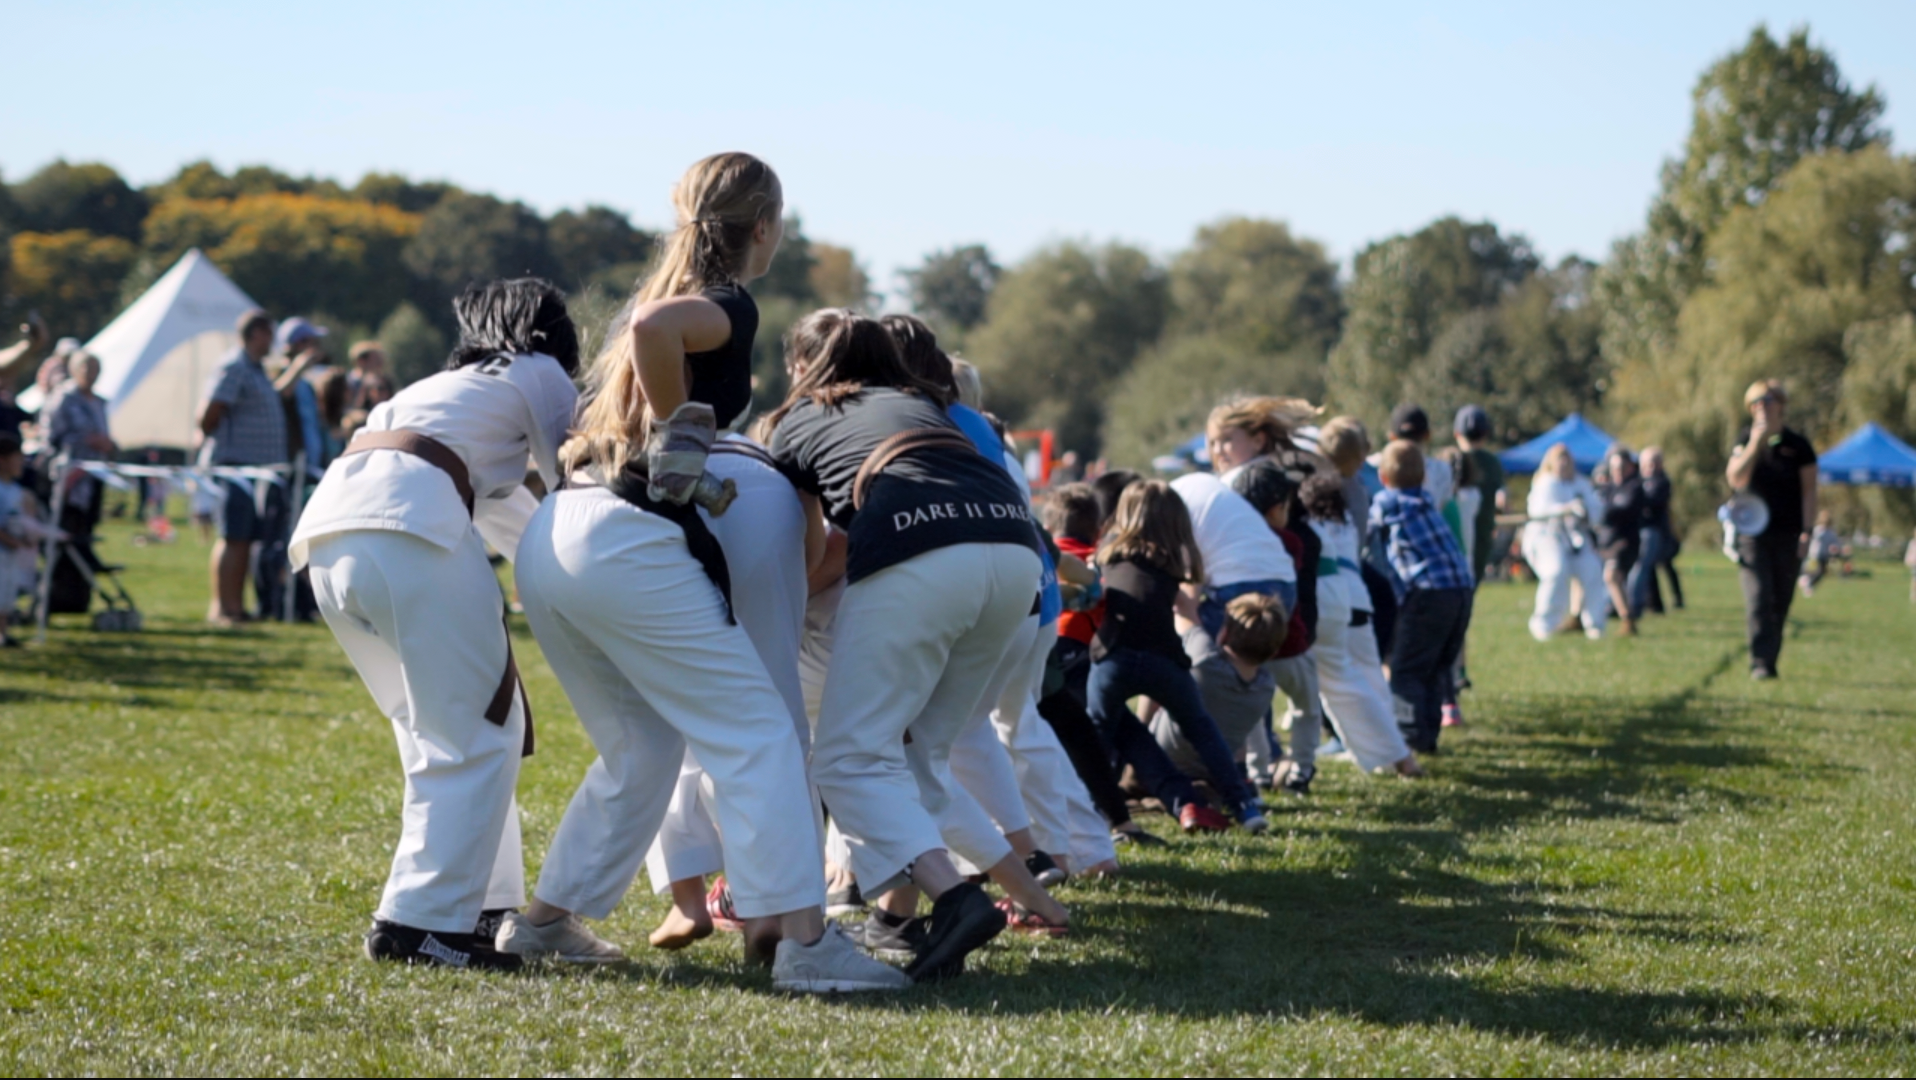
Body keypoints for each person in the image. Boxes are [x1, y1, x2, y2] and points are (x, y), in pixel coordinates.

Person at [764, 308, 1065, 979]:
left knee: (843, 758)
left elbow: (808, 546)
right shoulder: (918, 402)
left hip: (920, 554)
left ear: (805, 366)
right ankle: (917, 913)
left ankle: (955, 898)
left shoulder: (798, 417)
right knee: (922, 755)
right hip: (1016, 559)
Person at [289, 279, 580, 971]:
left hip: (331, 537)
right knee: (476, 733)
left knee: (451, 733)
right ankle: (420, 924)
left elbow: (511, 515)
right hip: (408, 530)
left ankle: (478, 905)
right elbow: (571, 492)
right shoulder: (541, 375)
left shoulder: (443, 385)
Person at [1086, 480, 1268, 834]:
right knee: (1201, 728)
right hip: (1164, 658)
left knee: (1096, 738)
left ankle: (1093, 812)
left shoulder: (1109, 551)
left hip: (1113, 655)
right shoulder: (1173, 557)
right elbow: (1187, 608)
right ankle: (1244, 807)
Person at [1039, 482, 1160, 846]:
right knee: (1083, 736)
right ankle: (1109, 825)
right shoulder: (1096, 553)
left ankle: (1114, 823)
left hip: (1044, 649)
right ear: (1096, 527)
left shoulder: (1039, 538)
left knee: (1077, 733)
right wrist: (1087, 589)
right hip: (1067, 655)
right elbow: (1085, 583)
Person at [1296, 474, 1422, 777]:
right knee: (1372, 679)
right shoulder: (1348, 524)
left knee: (1341, 685)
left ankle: (1390, 754)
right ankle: (1389, 751)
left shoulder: (1312, 527)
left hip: (1331, 599)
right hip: (1360, 601)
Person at [1225, 459, 1325, 795]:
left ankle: (1259, 770)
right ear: (1277, 509)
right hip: (1291, 642)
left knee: (1254, 712)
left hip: (1251, 645)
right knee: (1307, 708)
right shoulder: (1291, 542)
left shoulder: (1233, 543)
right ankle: (1301, 769)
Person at [1370, 441, 1474, 754]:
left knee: (1406, 669)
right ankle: (1427, 737)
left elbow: (1366, 530)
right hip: (1461, 591)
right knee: (1434, 667)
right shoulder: (1427, 501)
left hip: (1429, 593)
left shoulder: (1388, 503)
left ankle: (1409, 739)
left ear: (1383, 476)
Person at [198, 309, 288, 626]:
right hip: (235, 467)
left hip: (254, 471)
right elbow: (210, 412)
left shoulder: (256, 369)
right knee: (233, 538)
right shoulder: (234, 366)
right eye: (269, 334)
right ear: (256, 334)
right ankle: (222, 607)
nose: (273, 341)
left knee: (245, 540)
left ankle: (235, 606)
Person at [1725, 379, 1818, 680]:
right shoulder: (1744, 440)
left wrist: (1807, 532)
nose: (1762, 408)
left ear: (1781, 405)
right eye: (1756, 403)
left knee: (1780, 599)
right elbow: (1735, 479)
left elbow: (1809, 492)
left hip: (1789, 533)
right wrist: (1756, 442)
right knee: (1758, 597)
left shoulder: (1799, 446)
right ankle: (1760, 662)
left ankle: (1770, 657)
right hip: (1752, 534)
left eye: (1768, 401)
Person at [1522, 443, 1607, 641]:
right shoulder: (1545, 483)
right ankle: (1544, 623)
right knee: (1556, 571)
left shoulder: (1580, 484)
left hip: (1575, 537)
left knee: (1592, 570)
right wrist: (1564, 509)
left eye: (1566, 459)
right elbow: (1537, 511)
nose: (1563, 464)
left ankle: (1595, 625)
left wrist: (1585, 511)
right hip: (1546, 537)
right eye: (1559, 459)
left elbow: (1596, 510)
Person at [44, 350, 116, 537]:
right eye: (87, 368)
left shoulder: (99, 402)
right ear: (74, 370)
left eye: (96, 369)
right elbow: (51, 435)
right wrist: (86, 440)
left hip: (95, 470)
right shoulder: (64, 397)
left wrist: (108, 444)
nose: (92, 374)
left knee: (89, 517)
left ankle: (84, 554)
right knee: (69, 516)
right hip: (70, 470)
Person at [1453, 406, 1507, 587]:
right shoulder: (1492, 462)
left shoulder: (1452, 459)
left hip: (1453, 534)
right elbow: (1502, 500)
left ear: (1457, 434)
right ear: (1485, 434)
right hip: (1481, 535)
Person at [1597, 446, 1645, 636]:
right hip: (1605, 542)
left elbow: (1621, 510)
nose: (1618, 471)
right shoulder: (1608, 488)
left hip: (1624, 542)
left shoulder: (1634, 487)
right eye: (1614, 467)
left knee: (1611, 576)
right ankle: (1579, 617)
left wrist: (1602, 510)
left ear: (1630, 468)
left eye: (1621, 467)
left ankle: (1627, 619)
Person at [1629, 446, 1679, 616]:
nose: (1651, 467)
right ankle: (1652, 604)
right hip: (1637, 530)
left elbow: (1649, 502)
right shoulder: (1637, 481)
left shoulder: (1662, 482)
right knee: (1645, 569)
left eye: (1655, 463)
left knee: (1644, 567)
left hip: (1654, 531)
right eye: (1648, 463)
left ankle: (1635, 604)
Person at [1799, 511, 1842, 596]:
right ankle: (1806, 582)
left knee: (1820, 573)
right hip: (1814, 555)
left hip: (1824, 556)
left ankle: (1808, 584)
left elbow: (1835, 543)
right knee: (1812, 571)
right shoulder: (1817, 530)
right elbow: (1808, 536)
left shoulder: (1831, 532)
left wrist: (1835, 548)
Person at [347, 341, 397, 412]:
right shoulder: (348, 384)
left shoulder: (384, 383)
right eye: (376, 359)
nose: (381, 363)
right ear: (361, 361)